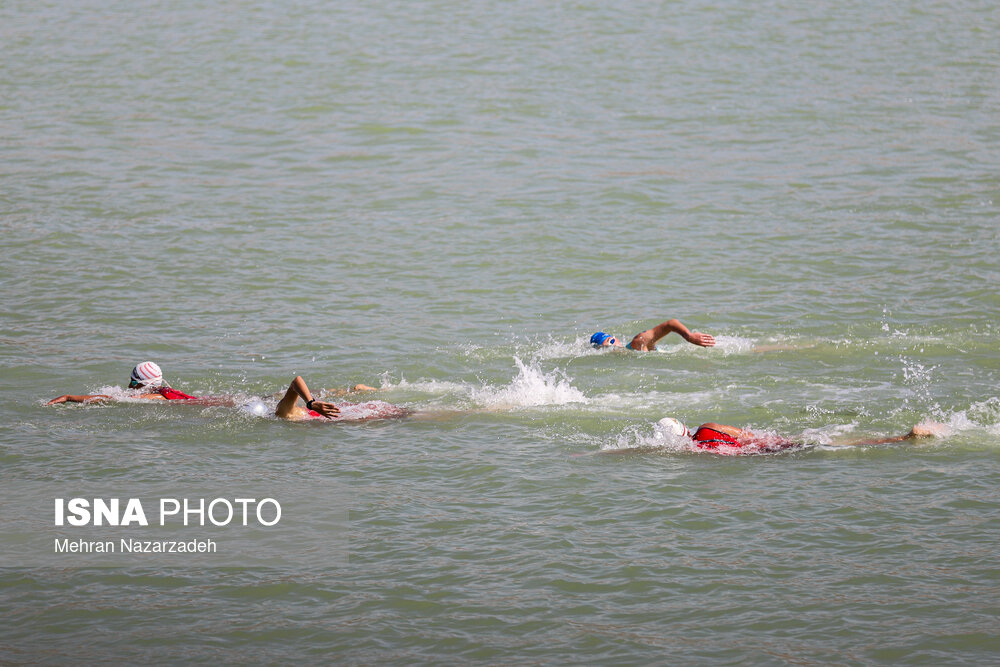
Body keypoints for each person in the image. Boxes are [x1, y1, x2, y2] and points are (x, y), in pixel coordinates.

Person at [656, 416, 948, 454]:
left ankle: (905, 439)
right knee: (829, 443)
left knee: (832, 448)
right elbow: (747, 434)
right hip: (767, 443)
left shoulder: (698, 450)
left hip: (765, 455)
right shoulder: (709, 427)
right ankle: (901, 437)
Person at [47, 361, 200, 404]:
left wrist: (69, 397)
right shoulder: (163, 391)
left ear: (146, 384)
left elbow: (112, 399)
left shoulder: (155, 398)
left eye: (134, 383)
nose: (129, 386)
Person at [275, 375, 407, 422]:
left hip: (352, 412)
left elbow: (296, 381)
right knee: (404, 414)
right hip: (351, 412)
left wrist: (311, 403)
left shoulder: (282, 412)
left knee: (404, 415)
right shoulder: (287, 414)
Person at [591, 318, 715, 351]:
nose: (611, 348)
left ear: (616, 339)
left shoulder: (637, 343)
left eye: (611, 342)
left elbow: (671, 324)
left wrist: (690, 336)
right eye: (604, 349)